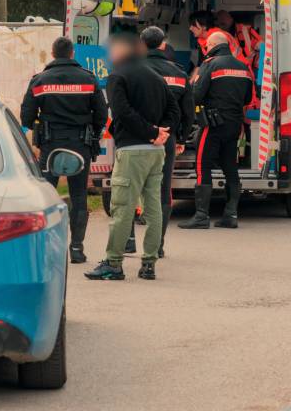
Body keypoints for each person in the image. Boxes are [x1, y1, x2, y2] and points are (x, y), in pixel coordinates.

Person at [84, 34, 179, 281]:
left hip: (132, 151)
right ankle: (149, 264)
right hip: (156, 153)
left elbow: (122, 113)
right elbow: (174, 110)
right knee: (153, 207)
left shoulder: (118, 77)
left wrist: (150, 133)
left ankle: (114, 263)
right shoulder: (156, 77)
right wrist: (162, 133)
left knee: (123, 208)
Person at [21, 37, 108, 264]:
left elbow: (27, 117)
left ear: (52, 53)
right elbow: (101, 115)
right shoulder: (88, 79)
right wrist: (92, 132)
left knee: (46, 197)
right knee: (79, 197)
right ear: (72, 54)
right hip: (81, 145)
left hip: (50, 147)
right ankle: (77, 249)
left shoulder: (40, 80)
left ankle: (46, 249)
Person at [178, 32, 253, 230]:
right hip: (234, 125)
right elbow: (247, 98)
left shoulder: (209, 64)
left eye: (206, 45)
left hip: (212, 124)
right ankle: (231, 215)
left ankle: (201, 215)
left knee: (203, 166)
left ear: (211, 45)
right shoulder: (243, 67)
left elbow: (197, 95)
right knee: (230, 168)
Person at [138, 26, 195, 258]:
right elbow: (188, 112)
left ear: (142, 45)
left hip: (135, 137)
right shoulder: (179, 74)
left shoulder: (132, 71)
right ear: (163, 45)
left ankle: (129, 242)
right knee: (162, 192)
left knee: (131, 189)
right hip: (166, 139)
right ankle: (157, 244)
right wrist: (181, 137)